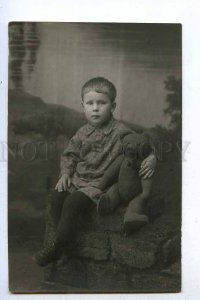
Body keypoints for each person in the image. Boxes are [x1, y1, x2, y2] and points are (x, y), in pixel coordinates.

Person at [35, 77, 156, 267]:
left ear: (113, 106)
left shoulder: (120, 132)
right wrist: (66, 174)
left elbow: (142, 141)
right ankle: (63, 246)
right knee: (57, 196)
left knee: (73, 202)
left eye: (102, 103)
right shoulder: (82, 132)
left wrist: (152, 156)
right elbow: (70, 155)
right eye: (90, 103)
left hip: (99, 184)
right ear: (82, 105)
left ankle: (57, 247)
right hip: (78, 179)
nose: (95, 108)